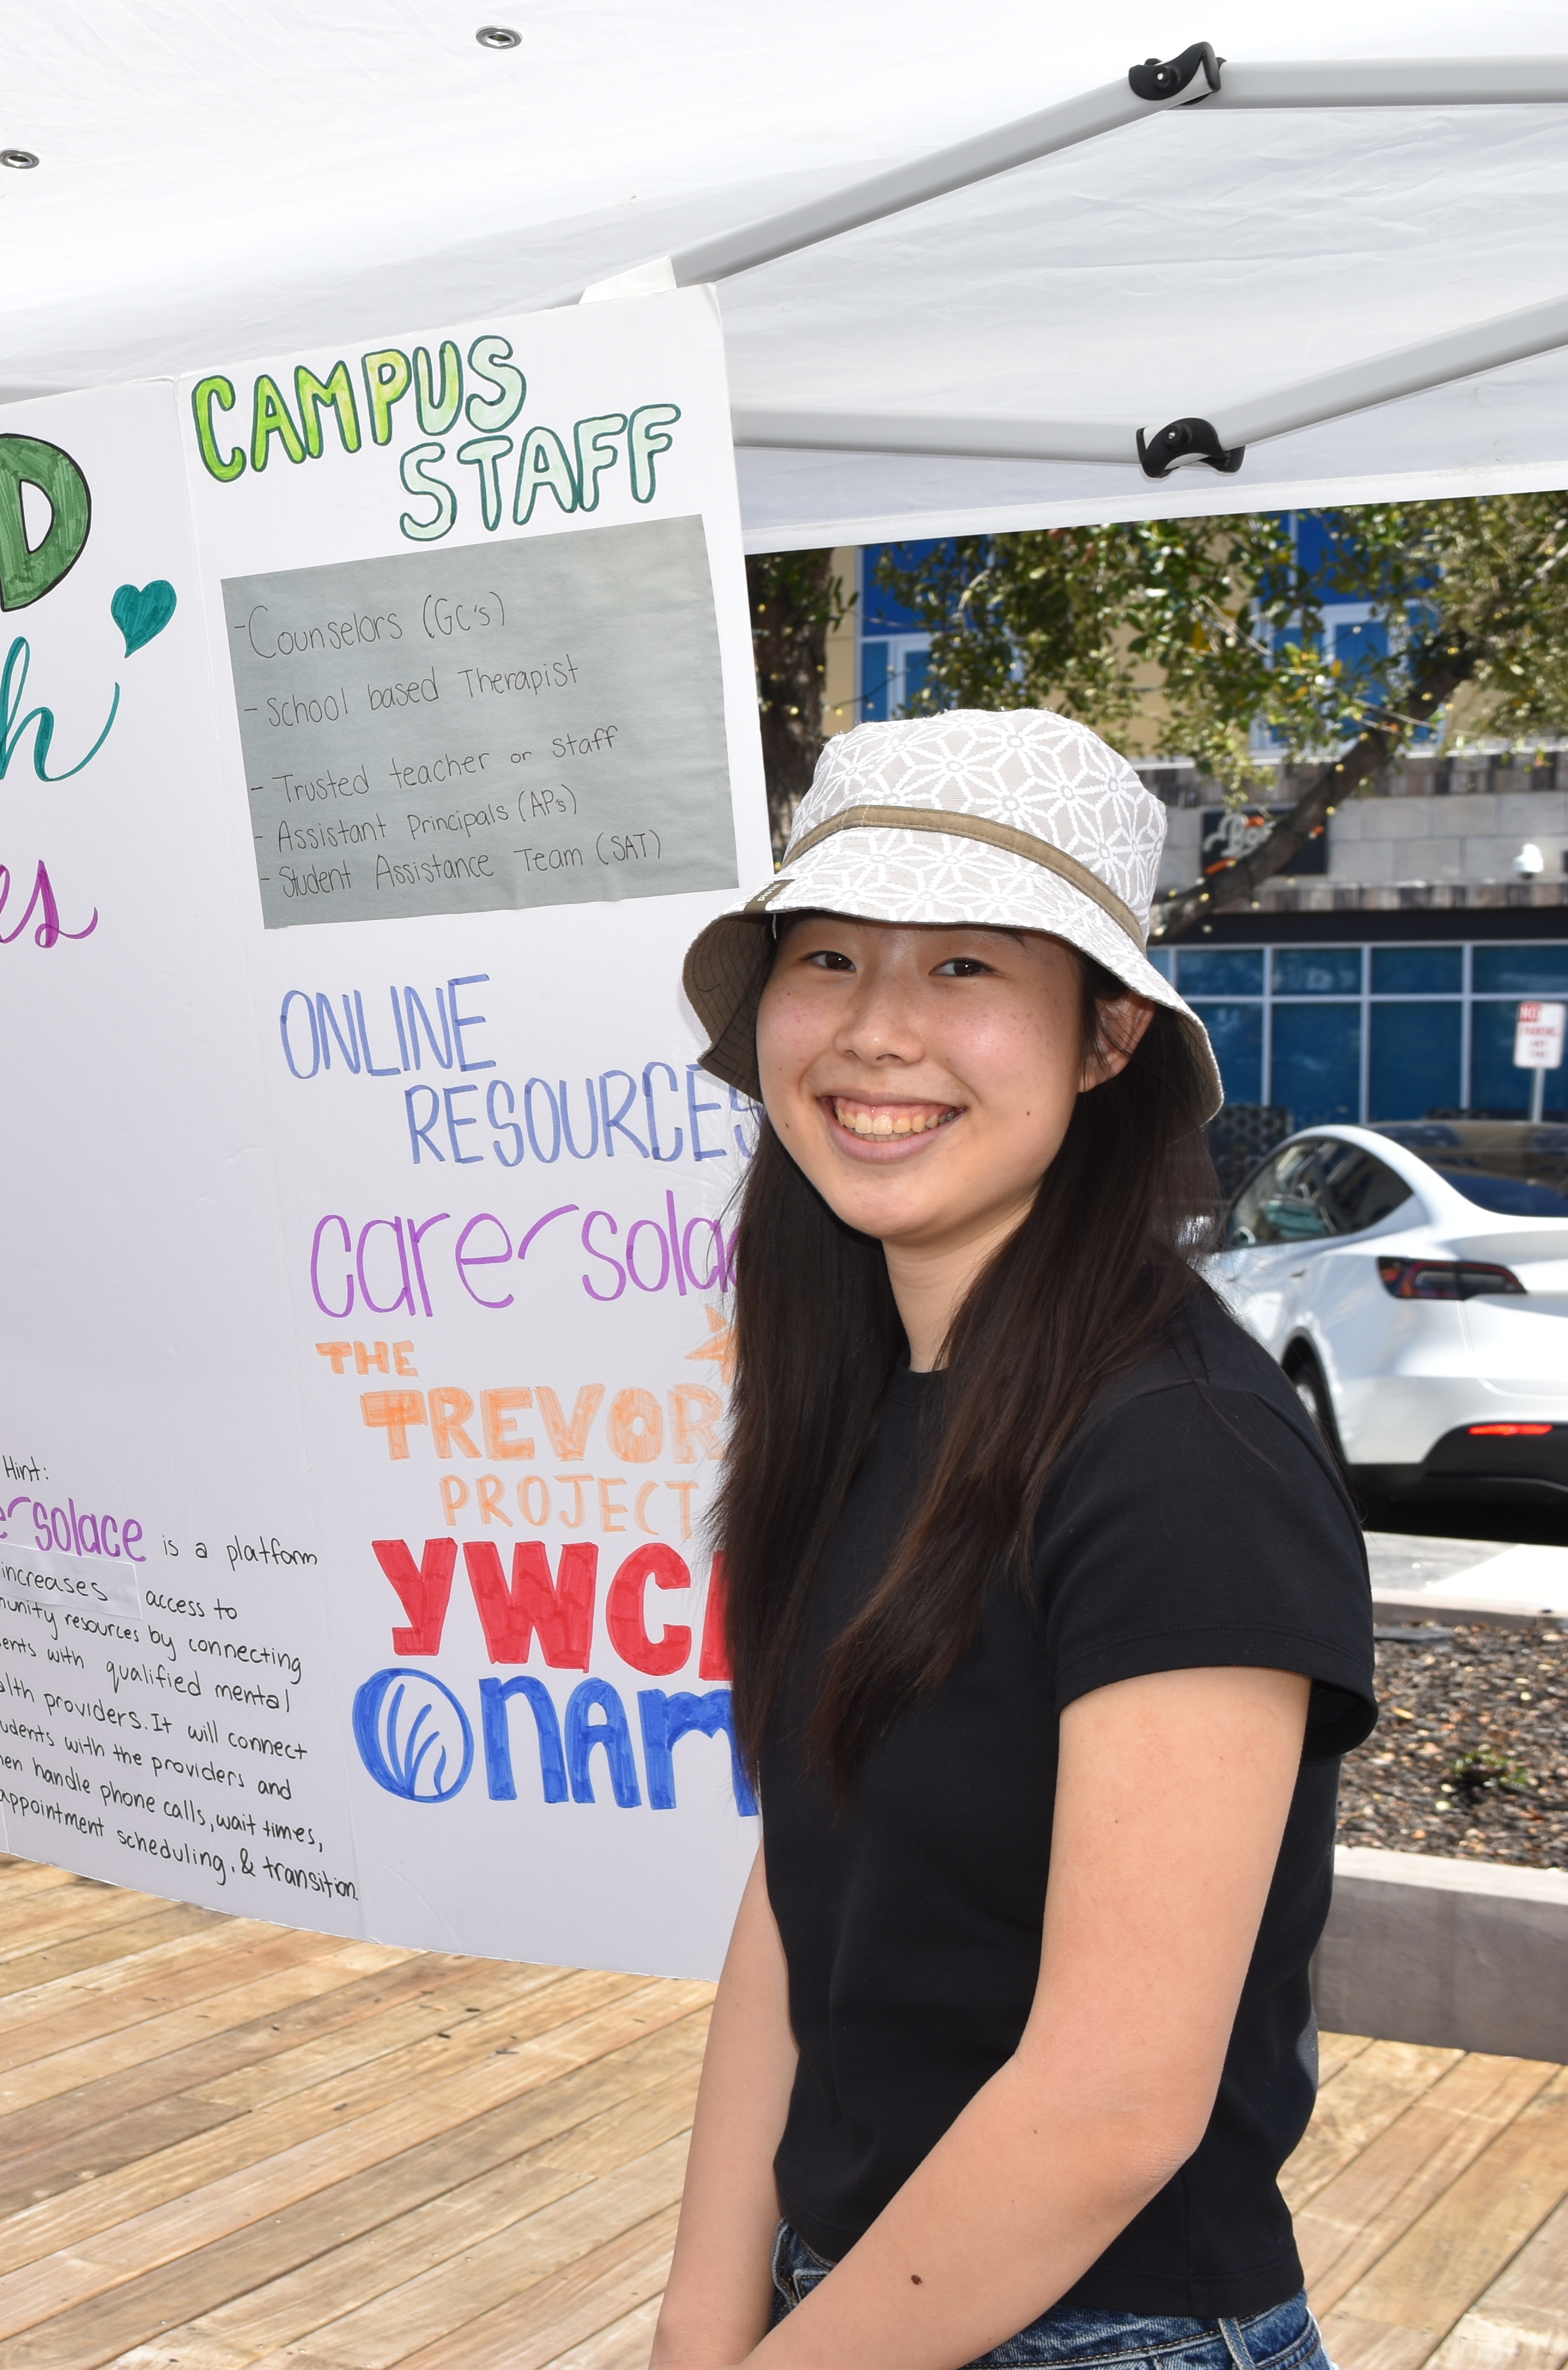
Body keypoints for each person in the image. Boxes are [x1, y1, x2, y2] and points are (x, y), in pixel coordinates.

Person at [650, 710, 1372, 2370]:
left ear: (1108, 1036)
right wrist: (708, 2312)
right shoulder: (865, 1394)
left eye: (968, 967)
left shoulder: (1182, 1459)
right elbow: (807, 1881)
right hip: (843, 2295)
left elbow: (1113, 2105)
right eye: (826, 957)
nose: (875, 1032)